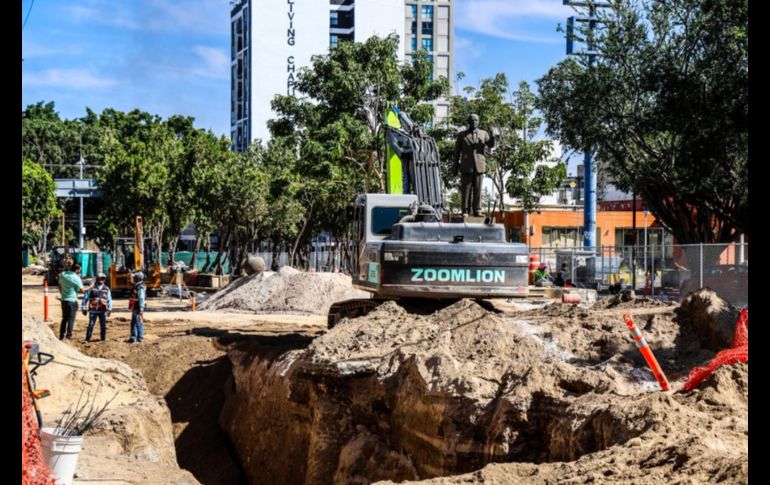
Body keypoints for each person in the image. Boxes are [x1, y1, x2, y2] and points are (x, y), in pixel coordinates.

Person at [453, 114, 495, 217]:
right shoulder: (462, 135)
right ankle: (465, 210)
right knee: (466, 190)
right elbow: (457, 152)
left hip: (479, 166)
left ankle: (477, 210)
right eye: (472, 120)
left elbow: (490, 145)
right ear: (468, 122)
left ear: (479, 121)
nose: (474, 122)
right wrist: (455, 166)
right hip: (466, 166)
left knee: (478, 189)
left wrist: (493, 136)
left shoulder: (483, 133)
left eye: (476, 120)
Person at [81, 272, 112, 343]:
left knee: (103, 325)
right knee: (91, 324)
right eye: (100, 278)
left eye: (103, 278)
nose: (101, 280)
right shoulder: (92, 288)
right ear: (97, 279)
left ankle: (103, 338)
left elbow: (109, 299)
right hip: (93, 310)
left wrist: (109, 309)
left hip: (103, 310)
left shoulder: (106, 289)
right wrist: (83, 307)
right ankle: (87, 339)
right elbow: (85, 298)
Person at [58, 263, 86, 340]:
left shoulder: (63, 274)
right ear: (77, 269)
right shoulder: (76, 278)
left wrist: (62, 293)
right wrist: (91, 286)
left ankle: (61, 335)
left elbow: (59, 285)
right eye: (79, 270)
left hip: (64, 300)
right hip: (72, 301)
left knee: (64, 319)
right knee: (71, 319)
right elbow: (83, 290)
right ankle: (68, 336)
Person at [127, 271, 146, 344]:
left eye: (134, 277)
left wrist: (141, 309)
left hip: (138, 308)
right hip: (135, 307)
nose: (132, 278)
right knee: (133, 322)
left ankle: (139, 339)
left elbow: (141, 298)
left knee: (138, 322)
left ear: (137, 278)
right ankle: (133, 337)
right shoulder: (137, 285)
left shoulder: (140, 287)